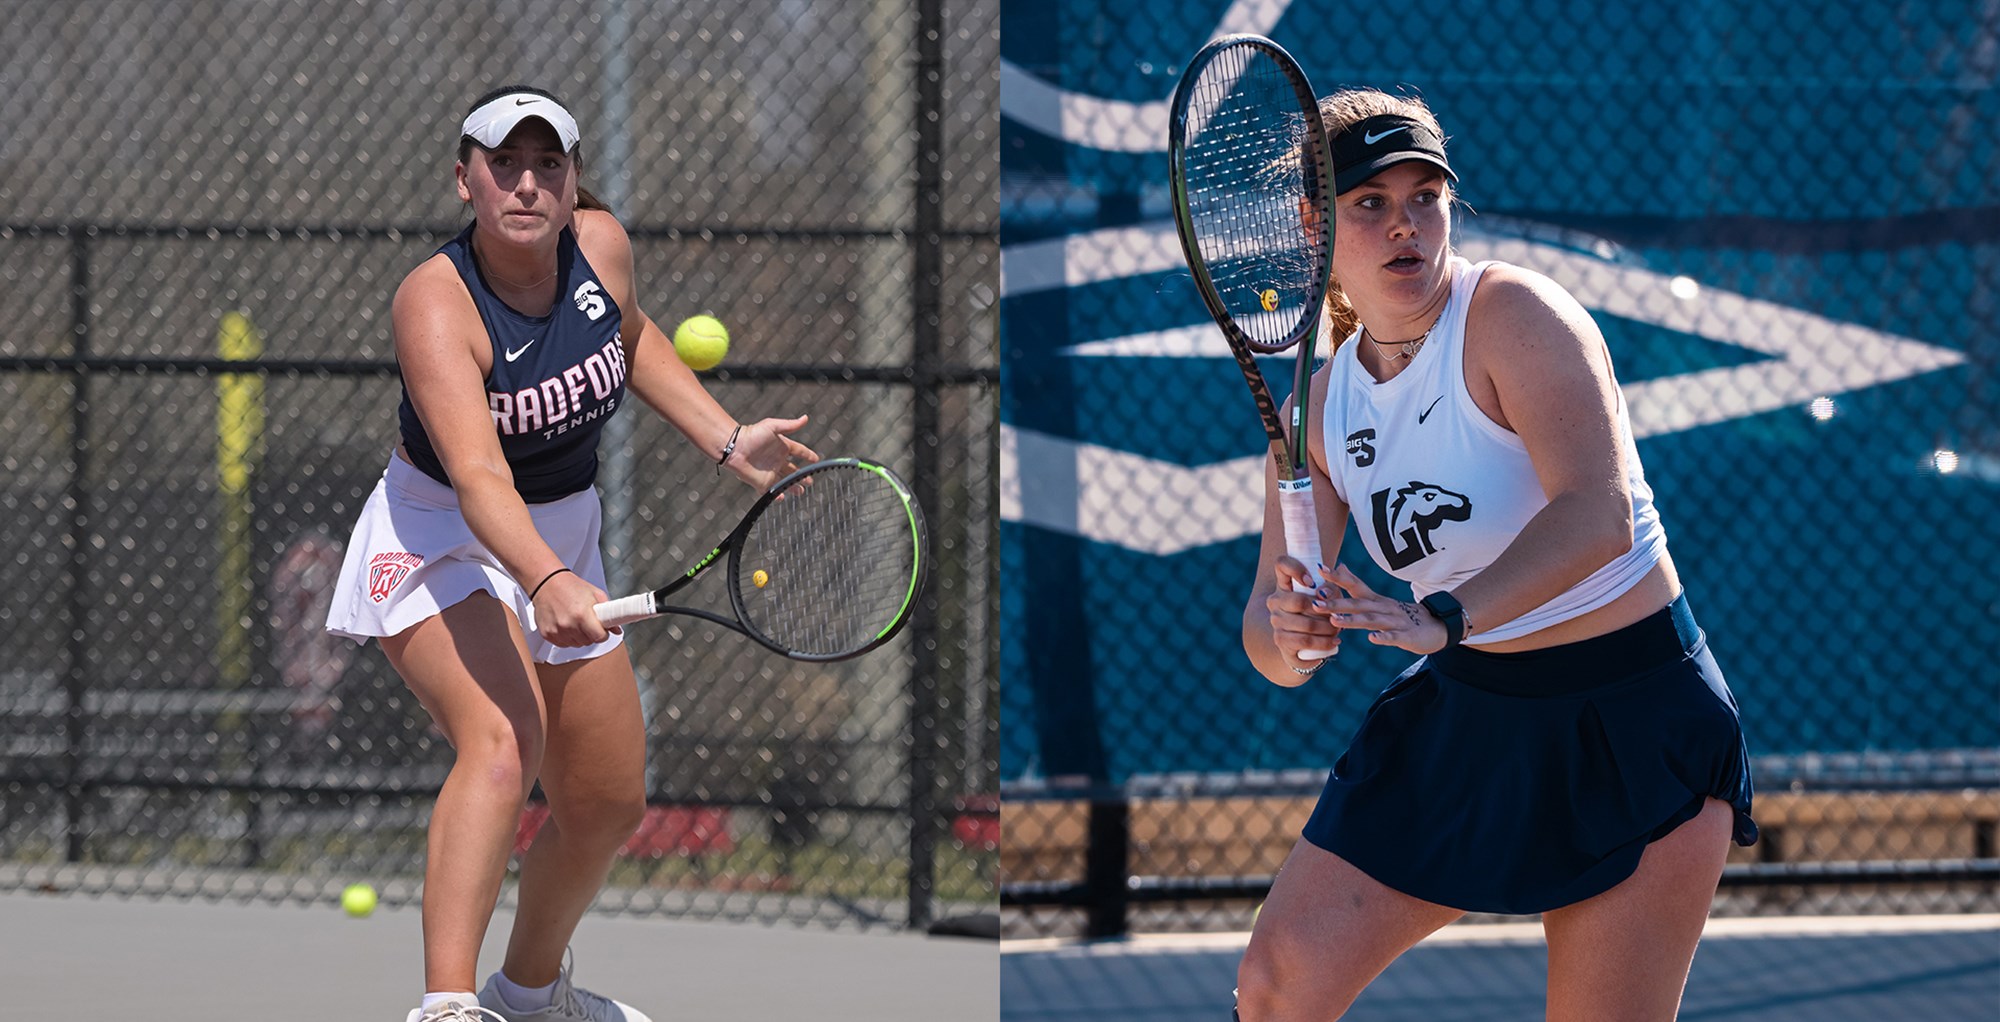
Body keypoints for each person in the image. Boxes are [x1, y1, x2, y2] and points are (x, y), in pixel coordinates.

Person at [1233, 89, 1757, 1021]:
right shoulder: (1319, 408)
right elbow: (1274, 654)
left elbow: (1597, 517)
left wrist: (1442, 617)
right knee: (1278, 984)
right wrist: (1293, 629)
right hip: (1469, 715)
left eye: (1424, 197)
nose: (1406, 225)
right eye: (1369, 203)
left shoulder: (1512, 315)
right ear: (1317, 226)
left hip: (1628, 719)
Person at [326, 85, 818, 1022]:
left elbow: (626, 336)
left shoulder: (602, 248)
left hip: (562, 531)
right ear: (463, 179)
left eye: (548, 165)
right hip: (443, 535)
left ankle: (529, 996)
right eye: (502, 164)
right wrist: (543, 579)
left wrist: (726, 438)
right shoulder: (435, 303)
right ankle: (447, 1006)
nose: (526, 184)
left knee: (604, 801)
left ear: (574, 180)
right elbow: (475, 474)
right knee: (503, 745)